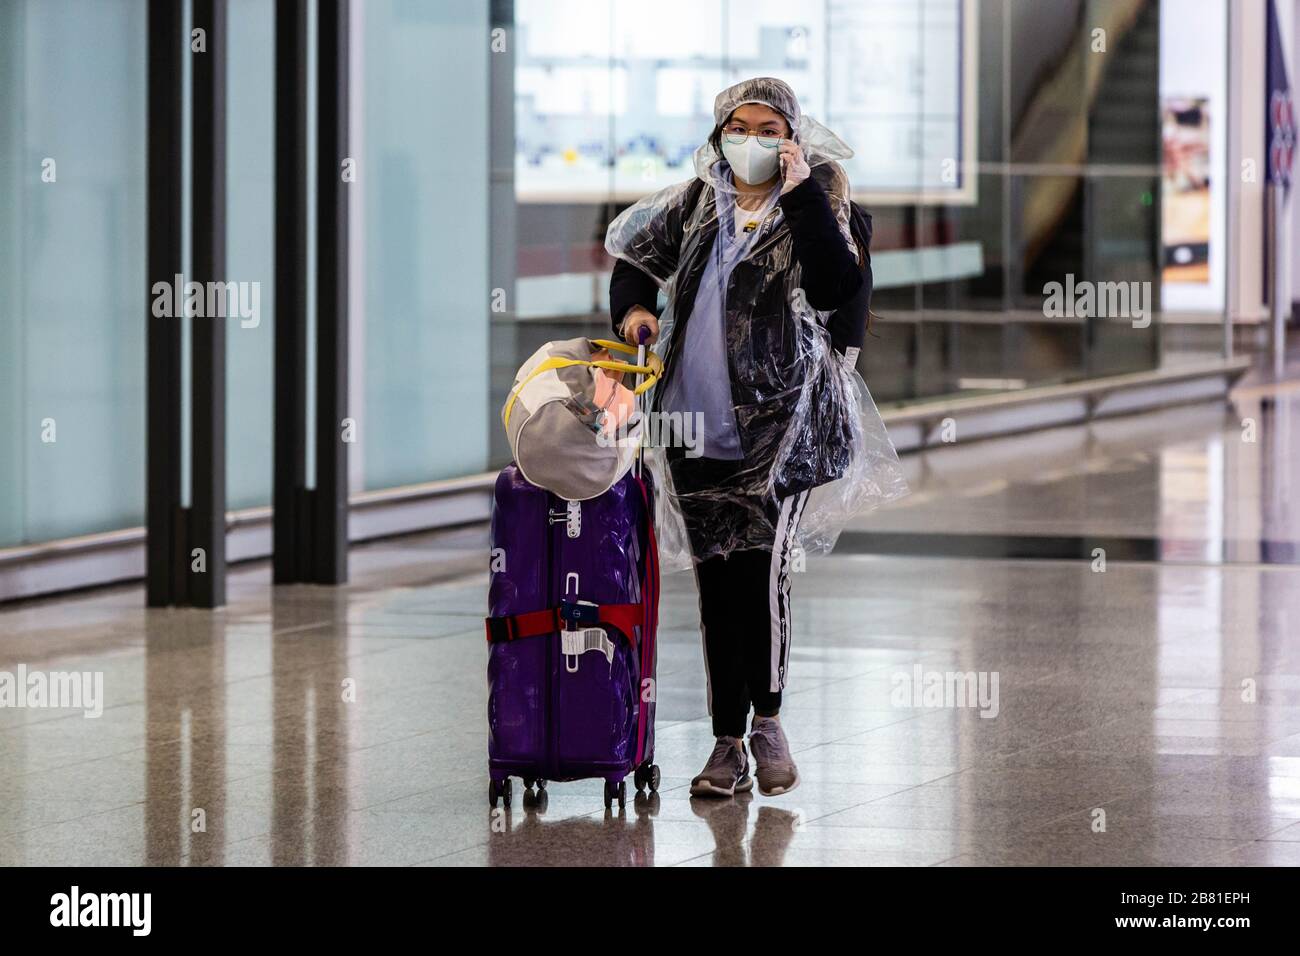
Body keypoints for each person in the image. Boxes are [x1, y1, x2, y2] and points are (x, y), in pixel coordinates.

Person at [606, 78, 867, 797]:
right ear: (719, 133)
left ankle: (769, 722)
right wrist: (634, 316)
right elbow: (632, 263)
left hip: (780, 429)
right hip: (691, 423)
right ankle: (726, 742)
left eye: (768, 128)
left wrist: (802, 191)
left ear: (792, 135)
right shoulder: (695, 200)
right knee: (717, 581)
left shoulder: (822, 190)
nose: (751, 140)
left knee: (762, 575)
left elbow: (836, 283)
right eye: (738, 127)